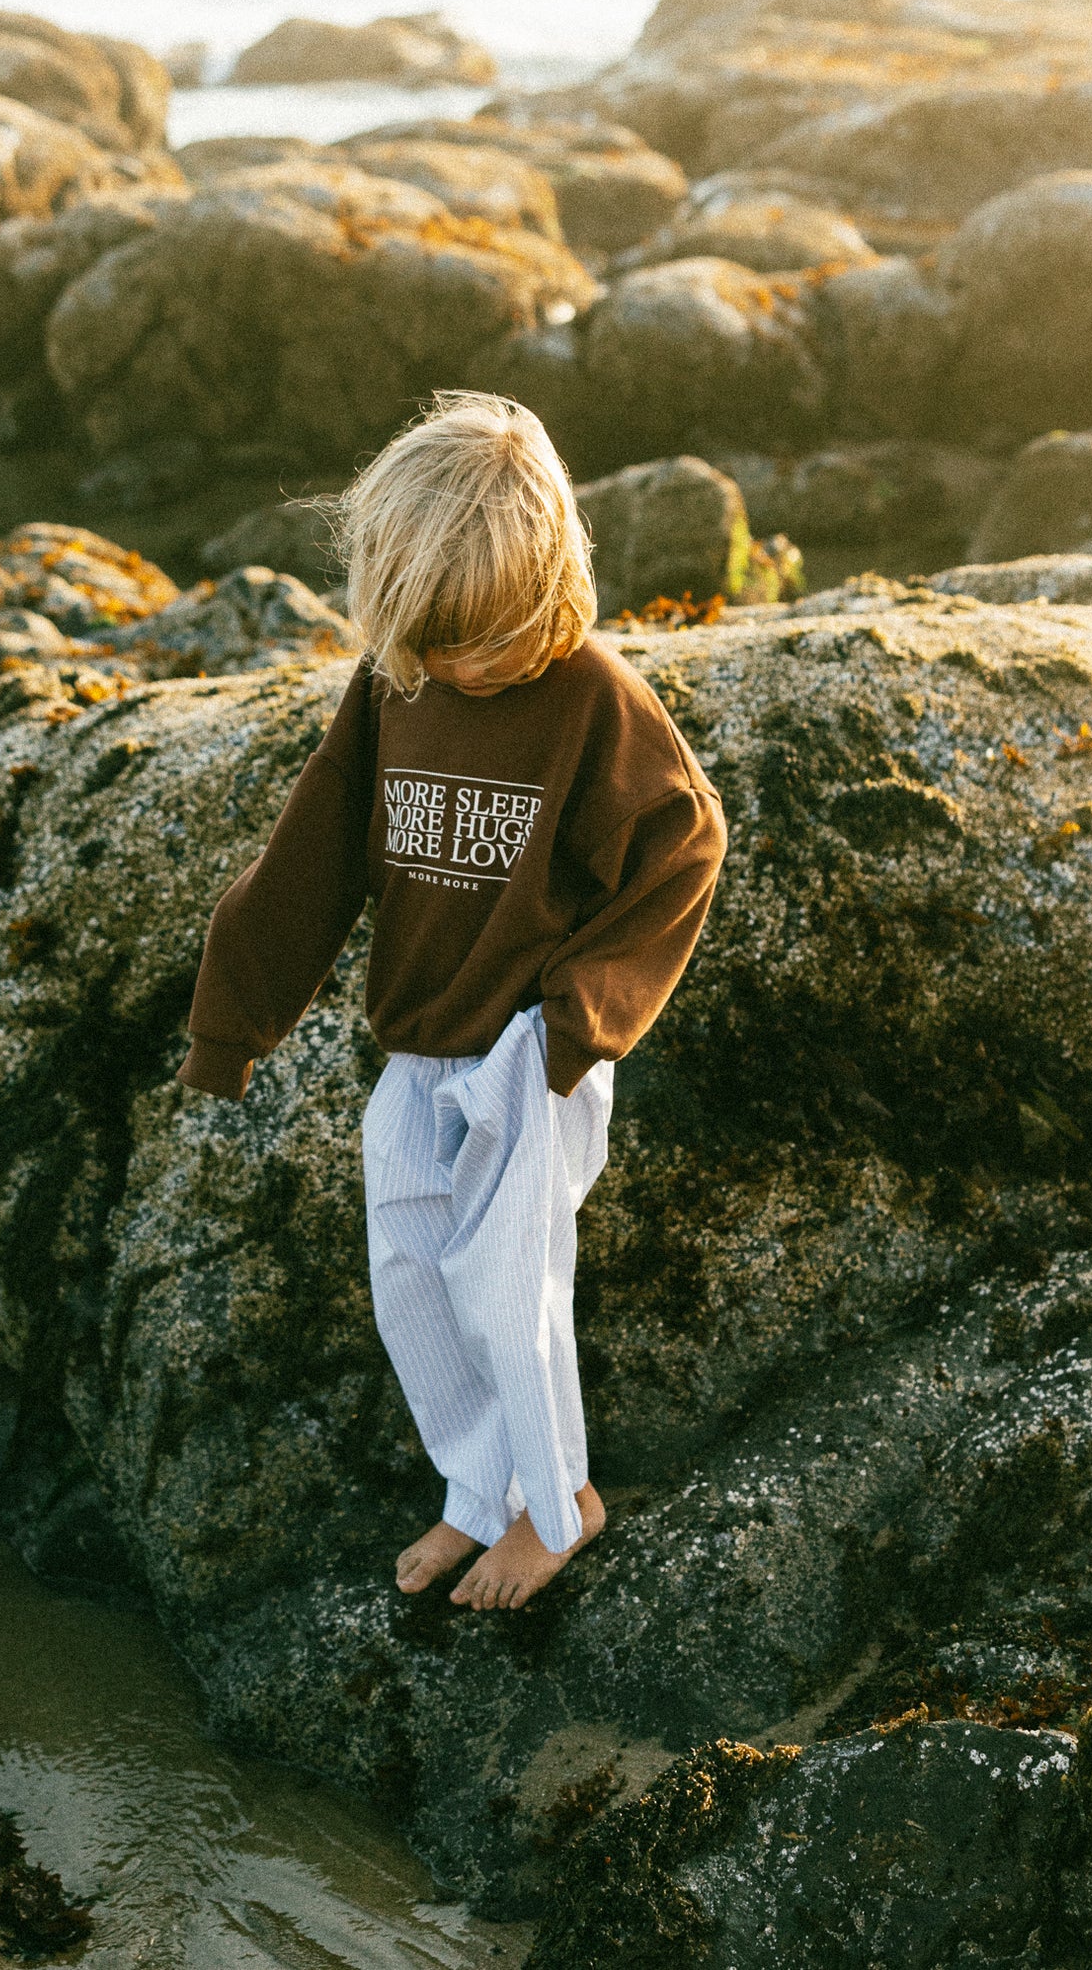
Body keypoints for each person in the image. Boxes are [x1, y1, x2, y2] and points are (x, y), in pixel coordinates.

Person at [177, 392, 726, 1610]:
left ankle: (556, 1498)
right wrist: (234, 1022)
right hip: (418, 1048)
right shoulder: (395, 687)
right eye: (421, 642)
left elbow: (683, 845)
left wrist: (578, 1021)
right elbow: (310, 851)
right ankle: (479, 1494)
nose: (445, 666)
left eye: (468, 641)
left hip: (532, 1053)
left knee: (505, 1280)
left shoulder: (591, 701)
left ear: (542, 593)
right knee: (414, 1277)